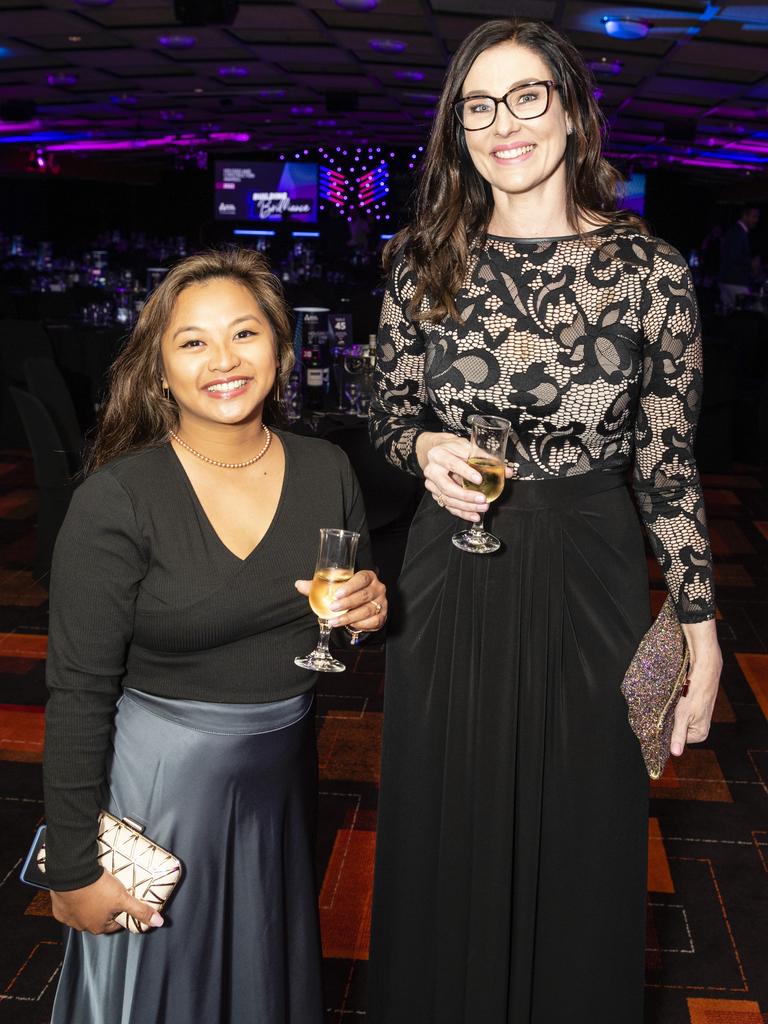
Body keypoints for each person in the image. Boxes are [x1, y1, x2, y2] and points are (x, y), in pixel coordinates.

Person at [367, 19, 721, 1024]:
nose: (502, 123)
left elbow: (668, 460)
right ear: (458, 129)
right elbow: (389, 415)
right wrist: (426, 447)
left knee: (586, 816)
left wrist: (701, 630)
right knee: (450, 811)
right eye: (478, 106)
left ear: (571, 112)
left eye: (527, 96)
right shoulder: (421, 260)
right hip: (452, 567)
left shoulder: (652, 273)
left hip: (591, 565)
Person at [42, 248, 387, 1023]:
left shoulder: (328, 467)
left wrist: (368, 618)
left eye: (245, 334)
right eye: (192, 342)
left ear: (283, 349)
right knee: (160, 990)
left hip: (280, 780)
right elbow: (78, 692)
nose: (223, 361)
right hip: (162, 790)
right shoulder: (119, 499)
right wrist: (70, 868)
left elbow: (344, 627)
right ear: (159, 369)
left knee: (261, 979)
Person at [719, 204, 759, 311]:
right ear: (744, 216)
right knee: (746, 315)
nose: (756, 220)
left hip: (727, 280)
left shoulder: (736, 231)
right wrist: (751, 263)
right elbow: (733, 256)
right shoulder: (738, 233)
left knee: (729, 315)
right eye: (754, 217)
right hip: (734, 281)